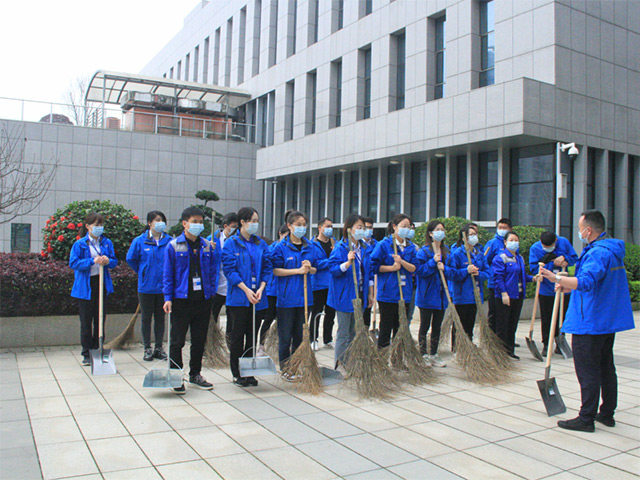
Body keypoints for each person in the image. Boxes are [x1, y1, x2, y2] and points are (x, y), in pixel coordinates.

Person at [540, 210, 635, 432]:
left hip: (590, 321)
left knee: (588, 371)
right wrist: (567, 285)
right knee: (606, 367)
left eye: (580, 228)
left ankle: (586, 418)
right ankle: (607, 413)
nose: (579, 232)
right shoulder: (611, 249)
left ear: (588, 230)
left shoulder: (598, 253)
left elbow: (586, 281)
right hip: (605, 320)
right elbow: (597, 283)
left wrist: (557, 278)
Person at [163, 207, 219, 394]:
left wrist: (211, 292)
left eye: (201, 222)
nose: (198, 225)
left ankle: (195, 374)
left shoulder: (207, 246)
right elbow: (168, 274)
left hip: (202, 300)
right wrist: (167, 298)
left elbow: (213, 270)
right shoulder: (173, 246)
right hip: (181, 300)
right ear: (184, 224)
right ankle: (175, 376)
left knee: (199, 339)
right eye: (194, 222)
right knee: (177, 340)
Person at [222, 207, 271, 387]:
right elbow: (230, 271)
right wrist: (246, 290)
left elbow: (267, 267)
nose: (255, 224)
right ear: (242, 222)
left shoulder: (260, 244)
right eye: (253, 221)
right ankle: (237, 373)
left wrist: (261, 287)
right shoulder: (231, 243)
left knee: (252, 335)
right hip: (239, 298)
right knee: (238, 336)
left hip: (258, 297)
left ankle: (249, 370)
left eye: (257, 221)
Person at [270, 211, 318, 378]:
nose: (301, 228)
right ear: (289, 226)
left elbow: (316, 269)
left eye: (304, 225)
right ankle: (285, 368)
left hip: (305, 299)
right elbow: (275, 270)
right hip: (286, 299)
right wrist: (297, 271)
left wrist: (309, 268)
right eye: (298, 225)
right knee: (285, 337)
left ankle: (296, 367)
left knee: (300, 336)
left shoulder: (310, 247)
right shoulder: (280, 248)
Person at [70, 213, 118, 366]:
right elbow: (74, 263)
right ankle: (86, 352)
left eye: (101, 225)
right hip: (86, 285)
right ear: (88, 226)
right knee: (86, 321)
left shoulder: (106, 243)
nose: (99, 228)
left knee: (100, 319)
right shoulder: (80, 244)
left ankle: (98, 349)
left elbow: (114, 261)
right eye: (96, 225)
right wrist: (92, 261)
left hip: (101, 283)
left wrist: (108, 260)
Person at [327, 214, 374, 369]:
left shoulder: (365, 249)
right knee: (344, 332)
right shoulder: (341, 248)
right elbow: (333, 269)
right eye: (359, 227)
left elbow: (369, 273)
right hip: (345, 296)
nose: (362, 230)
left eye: (364, 228)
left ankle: (351, 362)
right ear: (349, 229)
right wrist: (347, 263)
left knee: (354, 331)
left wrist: (370, 294)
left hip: (360, 294)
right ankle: (340, 364)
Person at [126, 210, 171, 362]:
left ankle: (159, 347)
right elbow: (131, 259)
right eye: (157, 220)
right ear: (149, 223)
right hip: (146, 287)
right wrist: (143, 271)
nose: (160, 223)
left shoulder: (169, 241)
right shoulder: (140, 241)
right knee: (146, 318)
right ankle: (147, 348)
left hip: (163, 287)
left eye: (162, 220)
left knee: (160, 318)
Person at [370, 214, 417, 349]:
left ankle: (398, 355)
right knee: (386, 326)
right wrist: (391, 268)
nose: (406, 229)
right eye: (403, 226)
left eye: (408, 227)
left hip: (405, 293)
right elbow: (373, 266)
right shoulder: (384, 245)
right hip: (388, 293)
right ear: (395, 226)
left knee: (401, 327)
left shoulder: (411, 247)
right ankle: (382, 355)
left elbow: (414, 267)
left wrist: (401, 262)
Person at [529, 230, 578, 356]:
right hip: (546, 289)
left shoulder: (564, 243)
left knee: (561, 317)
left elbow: (574, 258)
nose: (547, 248)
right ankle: (546, 344)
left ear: (556, 241)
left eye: (550, 246)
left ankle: (560, 341)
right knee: (547, 318)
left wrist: (565, 258)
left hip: (562, 287)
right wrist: (552, 263)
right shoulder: (535, 248)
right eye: (544, 246)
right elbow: (534, 269)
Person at [492, 231, 537, 359]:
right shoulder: (500, 258)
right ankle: (500, 352)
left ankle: (510, 351)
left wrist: (533, 278)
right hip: (505, 296)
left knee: (512, 325)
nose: (514, 242)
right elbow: (498, 278)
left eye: (516, 240)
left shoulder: (519, 258)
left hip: (518, 295)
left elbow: (521, 275)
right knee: (503, 325)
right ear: (505, 242)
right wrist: (504, 293)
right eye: (511, 240)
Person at [415, 220, 450, 367]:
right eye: (437, 230)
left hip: (441, 296)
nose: (440, 232)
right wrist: (432, 262)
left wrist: (444, 268)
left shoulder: (447, 251)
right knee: (425, 326)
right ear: (430, 233)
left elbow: (451, 271)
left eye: (442, 230)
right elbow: (419, 271)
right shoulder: (423, 252)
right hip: (427, 295)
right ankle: (423, 354)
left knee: (437, 326)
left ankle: (434, 354)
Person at [449, 223, 489, 348]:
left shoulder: (479, 254)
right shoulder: (457, 254)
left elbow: (488, 272)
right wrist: (466, 271)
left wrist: (479, 274)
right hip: (461, 295)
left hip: (475, 294)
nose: (474, 237)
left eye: (475, 234)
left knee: (470, 323)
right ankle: (457, 348)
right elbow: (452, 274)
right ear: (464, 237)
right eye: (470, 235)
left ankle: (469, 345)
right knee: (459, 324)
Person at [257, 224, 289, 355]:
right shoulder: (271, 248)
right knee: (268, 318)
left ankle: (280, 344)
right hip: (272, 290)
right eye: (286, 236)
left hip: (284, 290)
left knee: (283, 319)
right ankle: (261, 345)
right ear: (280, 234)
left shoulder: (289, 249)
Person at [309, 217, 337, 350]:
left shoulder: (334, 242)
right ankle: (313, 338)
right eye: (327, 226)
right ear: (320, 228)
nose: (330, 229)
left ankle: (328, 338)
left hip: (332, 283)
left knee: (331, 313)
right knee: (316, 312)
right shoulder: (312, 244)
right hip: (318, 284)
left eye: (331, 226)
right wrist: (330, 261)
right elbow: (314, 264)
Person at [207, 212, 239, 325]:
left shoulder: (238, 241)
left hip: (232, 283)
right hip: (217, 284)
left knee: (232, 317)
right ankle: (212, 335)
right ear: (225, 226)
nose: (236, 230)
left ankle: (230, 336)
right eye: (234, 227)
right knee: (213, 314)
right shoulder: (212, 239)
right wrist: (209, 250)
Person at [484, 218, 512, 331]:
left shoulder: (512, 243)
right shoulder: (492, 243)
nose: (502, 230)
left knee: (507, 314)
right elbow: (485, 261)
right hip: (495, 284)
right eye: (500, 227)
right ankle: (491, 335)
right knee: (494, 312)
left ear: (510, 229)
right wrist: (492, 273)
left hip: (509, 284)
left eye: (505, 228)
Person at [362, 217, 377, 330]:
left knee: (368, 309)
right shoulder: (357, 245)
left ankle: (366, 332)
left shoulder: (377, 245)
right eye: (365, 228)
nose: (368, 230)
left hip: (372, 281)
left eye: (370, 227)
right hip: (360, 282)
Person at [406, 223, 419, 325]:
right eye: (408, 228)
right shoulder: (389, 245)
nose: (411, 231)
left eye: (412, 229)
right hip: (397, 285)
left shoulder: (415, 248)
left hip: (412, 284)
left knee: (409, 313)